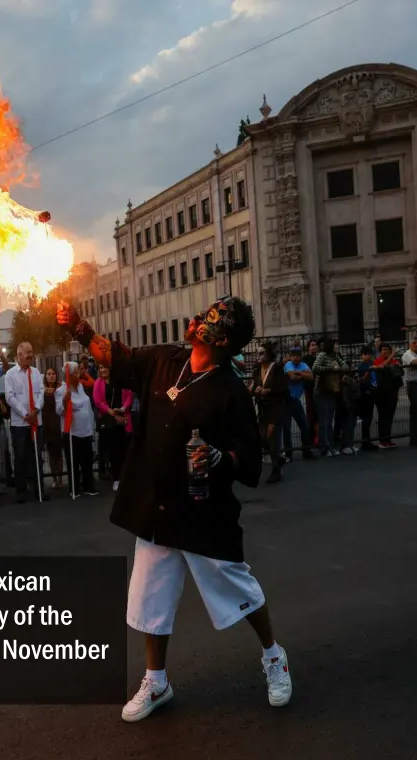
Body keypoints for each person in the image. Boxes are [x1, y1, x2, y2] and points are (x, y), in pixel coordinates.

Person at [57, 295, 291, 723]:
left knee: (240, 590)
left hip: (204, 515)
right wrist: (78, 327)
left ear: (221, 339)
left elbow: (249, 458)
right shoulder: (167, 359)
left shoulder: (232, 392)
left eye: (210, 318)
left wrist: (221, 459)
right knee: (151, 599)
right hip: (156, 507)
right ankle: (157, 680)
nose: (198, 317)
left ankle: (274, 657)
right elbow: (116, 356)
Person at [5, 342, 49, 503]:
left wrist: (36, 410)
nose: (30, 355)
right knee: (21, 457)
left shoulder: (36, 372)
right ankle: (21, 491)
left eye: (31, 352)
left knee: (37, 457)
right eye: (27, 353)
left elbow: (41, 393)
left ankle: (39, 489)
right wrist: (25, 414)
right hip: (19, 424)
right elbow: (10, 397)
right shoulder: (10, 374)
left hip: (36, 421)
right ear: (19, 355)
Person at [55, 362, 97, 497]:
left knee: (87, 460)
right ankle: (74, 488)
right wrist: (64, 401)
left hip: (86, 430)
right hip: (72, 432)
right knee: (73, 461)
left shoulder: (80, 387)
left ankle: (88, 486)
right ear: (69, 375)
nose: (79, 373)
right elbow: (59, 410)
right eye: (76, 371)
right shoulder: (61, 390)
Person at [93, 362, 133, 492]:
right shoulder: (98, 383)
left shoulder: (120, 381)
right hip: (108, 421)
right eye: (100, 368)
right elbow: (97, 401)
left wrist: (122, 408)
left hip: (123, 418)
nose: (103, 370)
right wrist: (111, 412)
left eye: (105, 367)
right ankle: (116, 478)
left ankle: (125, 478)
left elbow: (129, 396)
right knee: (112, 452)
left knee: (124, 450)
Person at [252, 342, 287, 484]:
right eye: (257, 353)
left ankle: (276, 471)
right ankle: (278, 459)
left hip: (275, 406)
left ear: (268, 354)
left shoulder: (277, 368)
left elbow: (283, 389)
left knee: (271, 437)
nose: (258, 356)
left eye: (261, 353)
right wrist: (256, 390)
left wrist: (270, 391)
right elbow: (255, 385)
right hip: (263, 408)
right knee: (263, 438)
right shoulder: (257, 369)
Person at [41, 368, 65, 489]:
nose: (51, 376)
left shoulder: (60, 389)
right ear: (45, 376)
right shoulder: (42, 390)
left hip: (58, 423)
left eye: (53, 374)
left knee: (59, 453)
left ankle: (61, 478)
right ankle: (54, 478)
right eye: (48, 374)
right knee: (51, 453)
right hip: (48, 424)